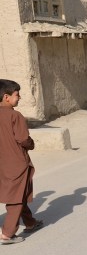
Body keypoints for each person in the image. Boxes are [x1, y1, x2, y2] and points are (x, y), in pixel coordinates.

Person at [1, 79, 43, 245]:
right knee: (16, 197)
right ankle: (8, 233)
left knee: (19, 192)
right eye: (17, 95)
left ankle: (30, 222)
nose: (19, 98)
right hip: (16, 162)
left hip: (2, 162)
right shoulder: (14, 115)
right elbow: (23, 139)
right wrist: (31, 143)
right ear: (6, 97)